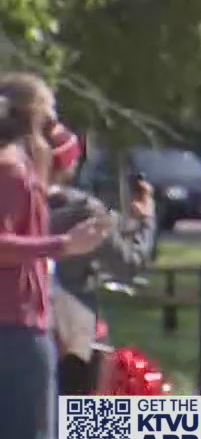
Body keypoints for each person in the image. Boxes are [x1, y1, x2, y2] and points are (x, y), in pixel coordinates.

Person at [0, 72, 110, 439]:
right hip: (16, 333)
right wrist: (64, 244)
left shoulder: (19, 169)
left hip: (26, 327)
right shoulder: (12, 170)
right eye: (51, 116)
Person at [45, 122, 157, 395]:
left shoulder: (16, 204)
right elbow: (128, 263)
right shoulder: (84, 211)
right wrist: (146, 220)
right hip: (78, 337)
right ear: (70, 162)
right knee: (83, 417)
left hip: (24, 332)